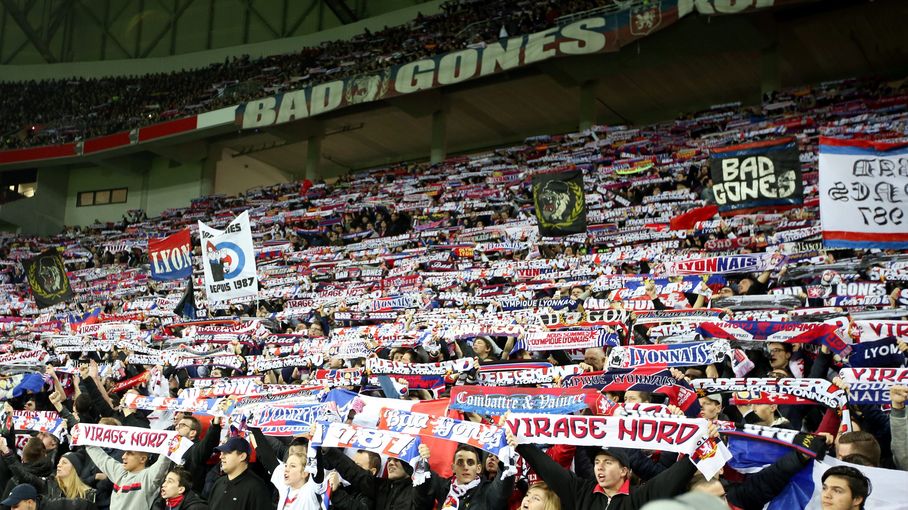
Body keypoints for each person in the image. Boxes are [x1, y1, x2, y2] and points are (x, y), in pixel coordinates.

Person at [414, 443, 514, 510]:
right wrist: (422, 460)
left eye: (470, 462)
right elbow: (423, 487)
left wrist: (506, 451)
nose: (465, 467)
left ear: (478, 468)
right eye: (460, 462)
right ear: (453, 467)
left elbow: (504, 483)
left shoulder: (487, 491)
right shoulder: (443, 487)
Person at [320, 445, 414, 510]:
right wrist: (328, 449)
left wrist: (337, 493)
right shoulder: (381, 486)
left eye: (397, 460)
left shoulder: (417, 492)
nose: (391, 463)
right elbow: (354, 472)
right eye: (389, 460)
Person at [84, 446, 170, 510]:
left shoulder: (148, 477)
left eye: (129, 453)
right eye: (125, 452)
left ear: (143, 459)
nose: (123, 456)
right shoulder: (120, 471)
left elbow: (163, 462)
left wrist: (174, 441)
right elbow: (101, 458)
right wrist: (84, 438)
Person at [207, 437, 274, 510]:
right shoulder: (218, 483)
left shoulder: (256, 488)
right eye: (221, 453)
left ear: (242, 456)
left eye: (226, 452)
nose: (221, 456)